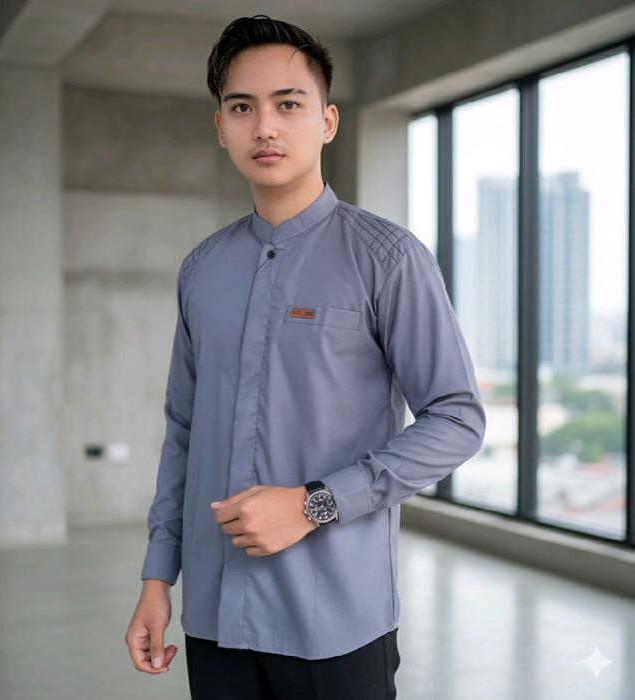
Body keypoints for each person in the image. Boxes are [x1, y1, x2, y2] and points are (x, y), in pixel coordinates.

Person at [125, 14, 486, 699]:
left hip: (335, 622)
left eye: (288, 104)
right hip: (214, 617)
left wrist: (315, 504)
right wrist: (156, 577)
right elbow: (183, 432)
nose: (265, 127)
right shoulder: (202, 270)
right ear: (221, 127)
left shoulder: (388, 259)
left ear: (327, 121)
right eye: (242, 107)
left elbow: (458, 420)